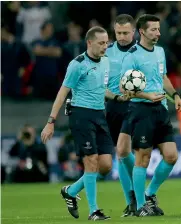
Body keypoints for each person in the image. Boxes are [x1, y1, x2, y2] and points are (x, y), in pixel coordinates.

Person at [40, 26, 128, 221]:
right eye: (101, 43)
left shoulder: (105, 62)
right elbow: (63, 92)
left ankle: (70, 191)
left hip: (99, 114)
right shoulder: (77, 64)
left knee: (105, 166)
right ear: (89, 43)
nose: (105, 47)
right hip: (81, 115)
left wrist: (117, 97)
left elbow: (101, 89)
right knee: (91, 161)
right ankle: (94, 211)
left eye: (106, 43)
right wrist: (50, 122)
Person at [118, 14, 181, 217]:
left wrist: (176, 95)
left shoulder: (160, 52)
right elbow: (124, 87)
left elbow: (162, 77)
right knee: (142, 158)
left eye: (159, 29)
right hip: (141, 110)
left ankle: (149, 194)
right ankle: (139, 207)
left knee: (171, 156)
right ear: (142, 31)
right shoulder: (132, 55)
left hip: (160, 109)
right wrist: (146, 95)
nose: (158, 33)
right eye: (154, 29)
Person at [105, 14, 137, 217]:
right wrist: (115, 97)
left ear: (133, 31)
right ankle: (132, 201)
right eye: (119, 33)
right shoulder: (106, 52)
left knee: (124, 150)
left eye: (126, 33)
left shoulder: (141, 51)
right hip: (113, 106)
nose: (122, 37)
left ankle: (139, 195)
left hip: (136, 106)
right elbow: (101, 83)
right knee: (122, 154)